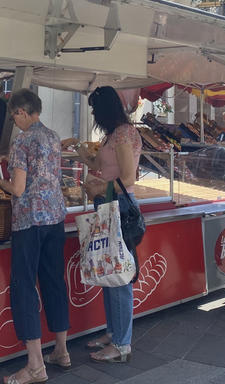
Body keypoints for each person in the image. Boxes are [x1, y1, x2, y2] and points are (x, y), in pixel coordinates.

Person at [0, 89, 69, 384]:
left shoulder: (22, 140)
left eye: (14, 115)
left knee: (24, 286)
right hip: (55, 218)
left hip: (29, 222)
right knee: (54, 281)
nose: (14, 120)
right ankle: (62, 350)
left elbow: (18, 189)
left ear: (22, 112)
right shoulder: (52, 136)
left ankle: (36, 365)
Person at [74, 86, 143, 363]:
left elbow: (128, 178)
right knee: (108, 272)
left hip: (119, 207)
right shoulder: (113, 134)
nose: (92, 114)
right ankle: (113, 332)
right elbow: (106, 166)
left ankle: (122, 343)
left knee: (118, 277)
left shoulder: (124, 134)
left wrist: (99, 188)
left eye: (94, 109)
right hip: (108, 205)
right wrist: (86, 159)